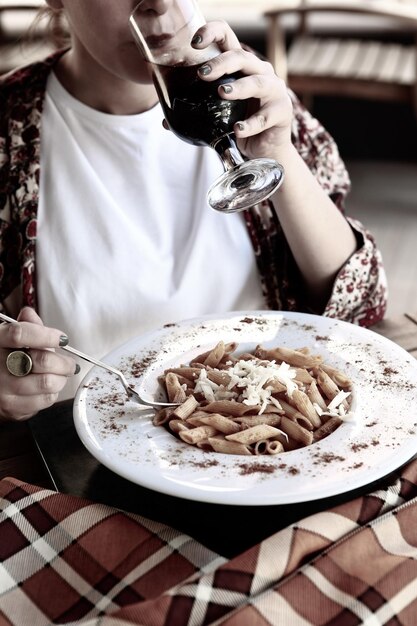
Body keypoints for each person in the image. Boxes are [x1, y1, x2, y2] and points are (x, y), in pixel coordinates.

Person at [0, 0, 387, 422]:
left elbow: (360, 307)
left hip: (271, 460)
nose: (160, 4)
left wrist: (279, 153)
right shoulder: (10, 131)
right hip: (84, 468)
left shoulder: (244, 90)